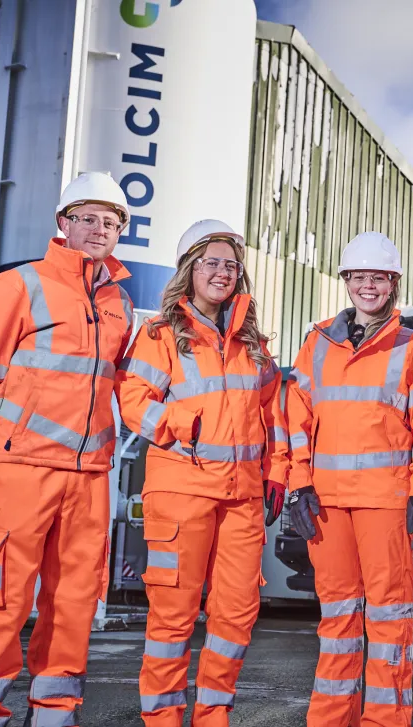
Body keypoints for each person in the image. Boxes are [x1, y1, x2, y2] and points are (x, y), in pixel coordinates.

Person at [0, 171, 135, 727]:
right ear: (63, 223)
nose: (100, 229)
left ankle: (55, 707)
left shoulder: (118, 302)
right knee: (1, 591)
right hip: (22, 468)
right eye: (89, 217)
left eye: (111, 221)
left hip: (89, 474)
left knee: (76, 597)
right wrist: (5, 443)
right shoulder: (16, 285)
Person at [115, 219, 289, 727]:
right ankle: (164, 720)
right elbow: (132, 402)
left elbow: (274, 417)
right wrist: (178, 421)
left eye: (231, 265)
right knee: (173, 617)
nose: (222, 273)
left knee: (236, 616)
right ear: (190, 269)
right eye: (211, 262)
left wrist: (277, 471)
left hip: (243, 499)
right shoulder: (161, 334)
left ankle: (214, 717)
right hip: (182, 491)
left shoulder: (253, 343)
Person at [286, 231, 413, 727]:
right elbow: (295, 418)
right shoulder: (318, 344)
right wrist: (297, 482)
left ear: (393, 283)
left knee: (389, 620)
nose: (368, 287)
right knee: (337, 621)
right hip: (327, 506)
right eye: (359, 278)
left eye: (378, 278)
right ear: (346, 282)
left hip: (387, 504)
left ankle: (384, 721)